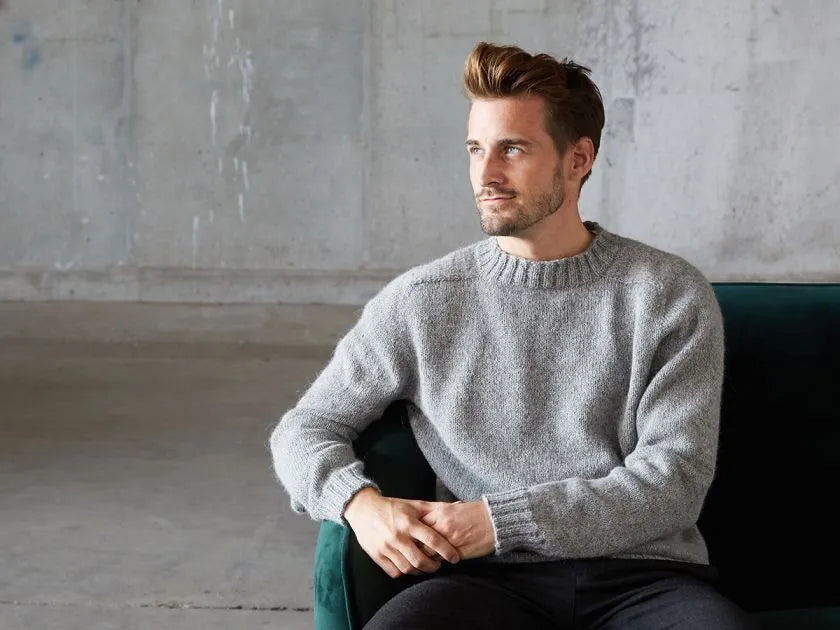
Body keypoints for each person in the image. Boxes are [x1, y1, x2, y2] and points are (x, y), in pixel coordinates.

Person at [269, 41, 754, 629]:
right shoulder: (422, 301)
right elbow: (304, 428)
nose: (486, 174)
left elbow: (673, 483)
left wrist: (498, 521)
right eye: (475, 149)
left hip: (644, 580)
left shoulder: (667, 293)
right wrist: (358, 504)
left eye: (512, 149)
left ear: (578, 160)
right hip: (482, 583)